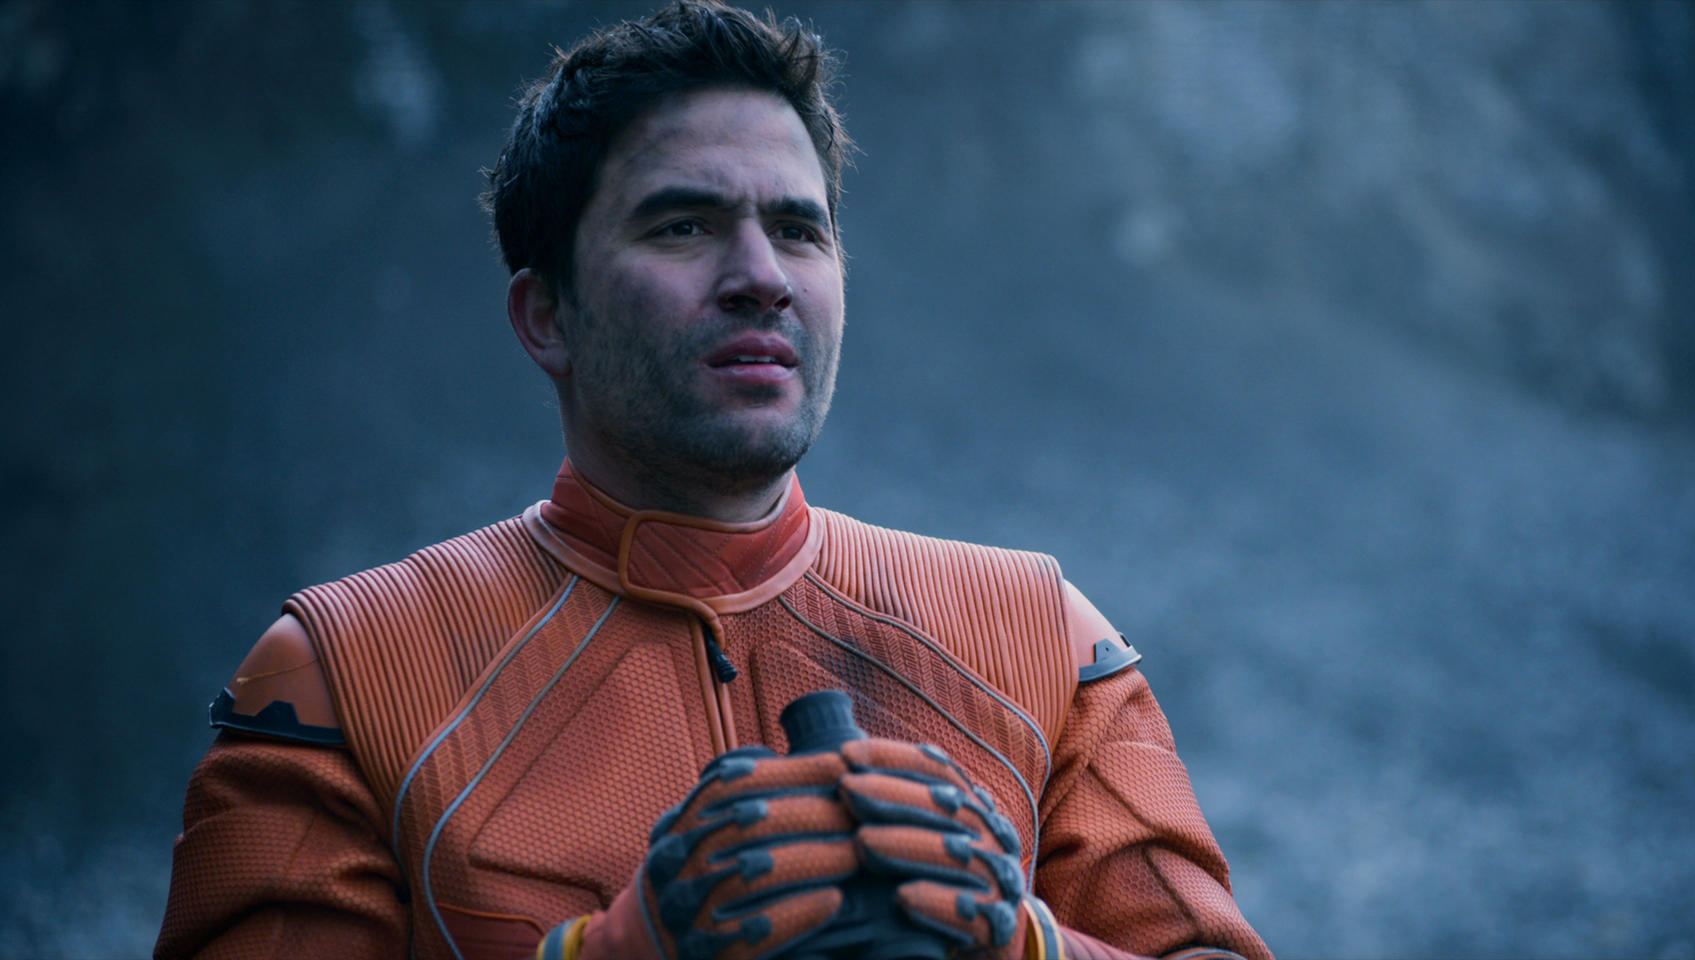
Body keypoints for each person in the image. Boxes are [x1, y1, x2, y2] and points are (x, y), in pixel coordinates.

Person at [155, 4, 1271, 960]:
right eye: (684, 225)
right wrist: (621, 950)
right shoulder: (341, 677)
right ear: (547, 317)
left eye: (798, 229)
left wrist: (1023, 943)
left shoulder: (1047, 642)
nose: (761, 278)